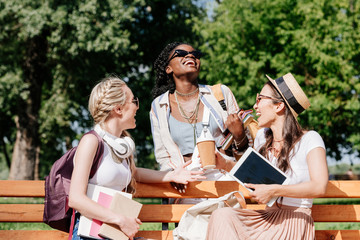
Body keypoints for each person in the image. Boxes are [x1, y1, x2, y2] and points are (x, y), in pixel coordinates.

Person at [68, 76, 205, 240]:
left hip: (113, 235)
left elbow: (135, 173)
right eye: (134, 101)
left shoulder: (122, 146)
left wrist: (172, 175)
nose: (137, 107)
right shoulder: (91, 142)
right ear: (118, 109)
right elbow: (76, 199)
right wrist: (120, 220)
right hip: (88, 235)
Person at [206, 73, 329, 240]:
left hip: (294, 221)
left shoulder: (310, 139)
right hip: (266, 220)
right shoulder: (262, 137)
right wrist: (226, 164)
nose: (255, 106)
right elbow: (255, 179)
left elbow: (319, 187)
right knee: (222, 216)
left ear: (278, 106)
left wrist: (274, 189)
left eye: (260, 99)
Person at [150, 42, 253, 195]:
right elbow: (162, 155)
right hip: (186, 184)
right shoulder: (159, 106)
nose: (190, 56)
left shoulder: (221, 94)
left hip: (223, 179)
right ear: (168, 68)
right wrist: (174, 174)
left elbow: (247, 146)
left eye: (195, 54)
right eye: (181, 54)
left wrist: (239, 136)